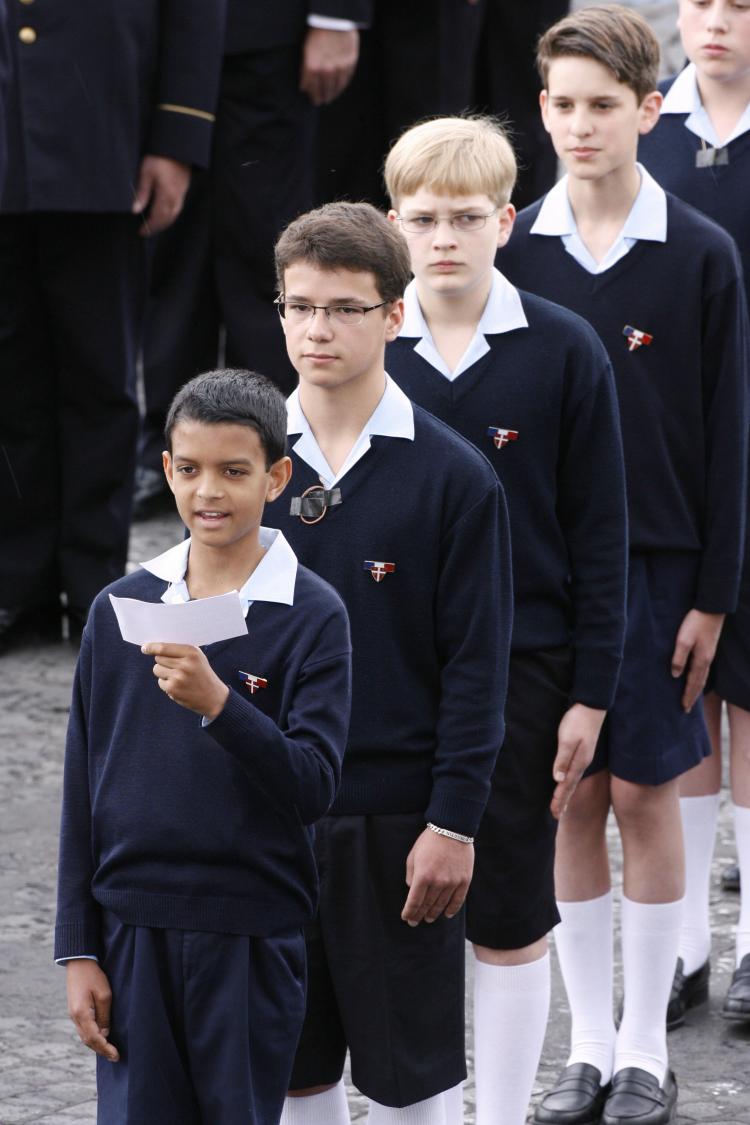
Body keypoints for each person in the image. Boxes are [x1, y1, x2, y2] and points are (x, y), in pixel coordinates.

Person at [497, 7, 749, 1124]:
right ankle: (587, 1047)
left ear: (653, 108)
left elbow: (729, 437)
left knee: (649, 795)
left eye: (605, 105)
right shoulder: (516, 251)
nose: (581, 125)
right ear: (539, 108)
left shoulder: (700, 253)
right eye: (561, 104)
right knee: (568, 801)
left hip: (658, 573)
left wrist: (711, 594)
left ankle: (648, 1045)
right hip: (543, 580)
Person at [382, 114, 628, 1125]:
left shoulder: (564, 351)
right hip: (390, 672)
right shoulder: (366, 347)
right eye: (424, 218)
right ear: (393, 223)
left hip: (527, 671)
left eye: (466, 218)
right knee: (396, 904)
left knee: (513, 904)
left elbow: (602, 535)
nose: (444, 237)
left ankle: (502, 1114)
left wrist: (590, 694)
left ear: (506, 222)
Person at [263, 201, 513, 1124]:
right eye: (297, 306)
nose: (316, 329)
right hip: (272, 815)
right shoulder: (243, 463)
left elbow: (479, 668)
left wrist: (452, 821)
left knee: (413, 1079)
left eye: (343, 308)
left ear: (395, 315)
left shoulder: (453, 478)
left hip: (399, 823)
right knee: (289, 1070)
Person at [55, 369, 352, 1124]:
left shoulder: (314, 615)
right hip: (132, 933)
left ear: (278, 477)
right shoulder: (119, 607)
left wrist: (222, 704)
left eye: (233, 471)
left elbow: (314, 782)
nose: (208, 491)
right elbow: (83, 784)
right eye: (188, 470)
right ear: (166, 471)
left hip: (250, 932)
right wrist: (78, 948)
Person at [0, 0, 225, 647]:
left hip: (101, 129)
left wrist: (176, 138)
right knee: (8, 375)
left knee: (100, 373)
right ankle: (17, 587)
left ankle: (95, 582)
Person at [134, 0, 370, 518]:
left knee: (270, 251)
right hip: (155, 32)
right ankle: (172, 449)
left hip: (270, 34)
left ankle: (273, 444)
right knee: (168, 248)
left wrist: (336, 15)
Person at [638, 0, 750, 1027]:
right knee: (688, 686)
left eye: (741, 5)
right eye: (701, 2)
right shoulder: (652, 130)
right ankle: (682, 947)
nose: (714, 22)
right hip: (675, 453)